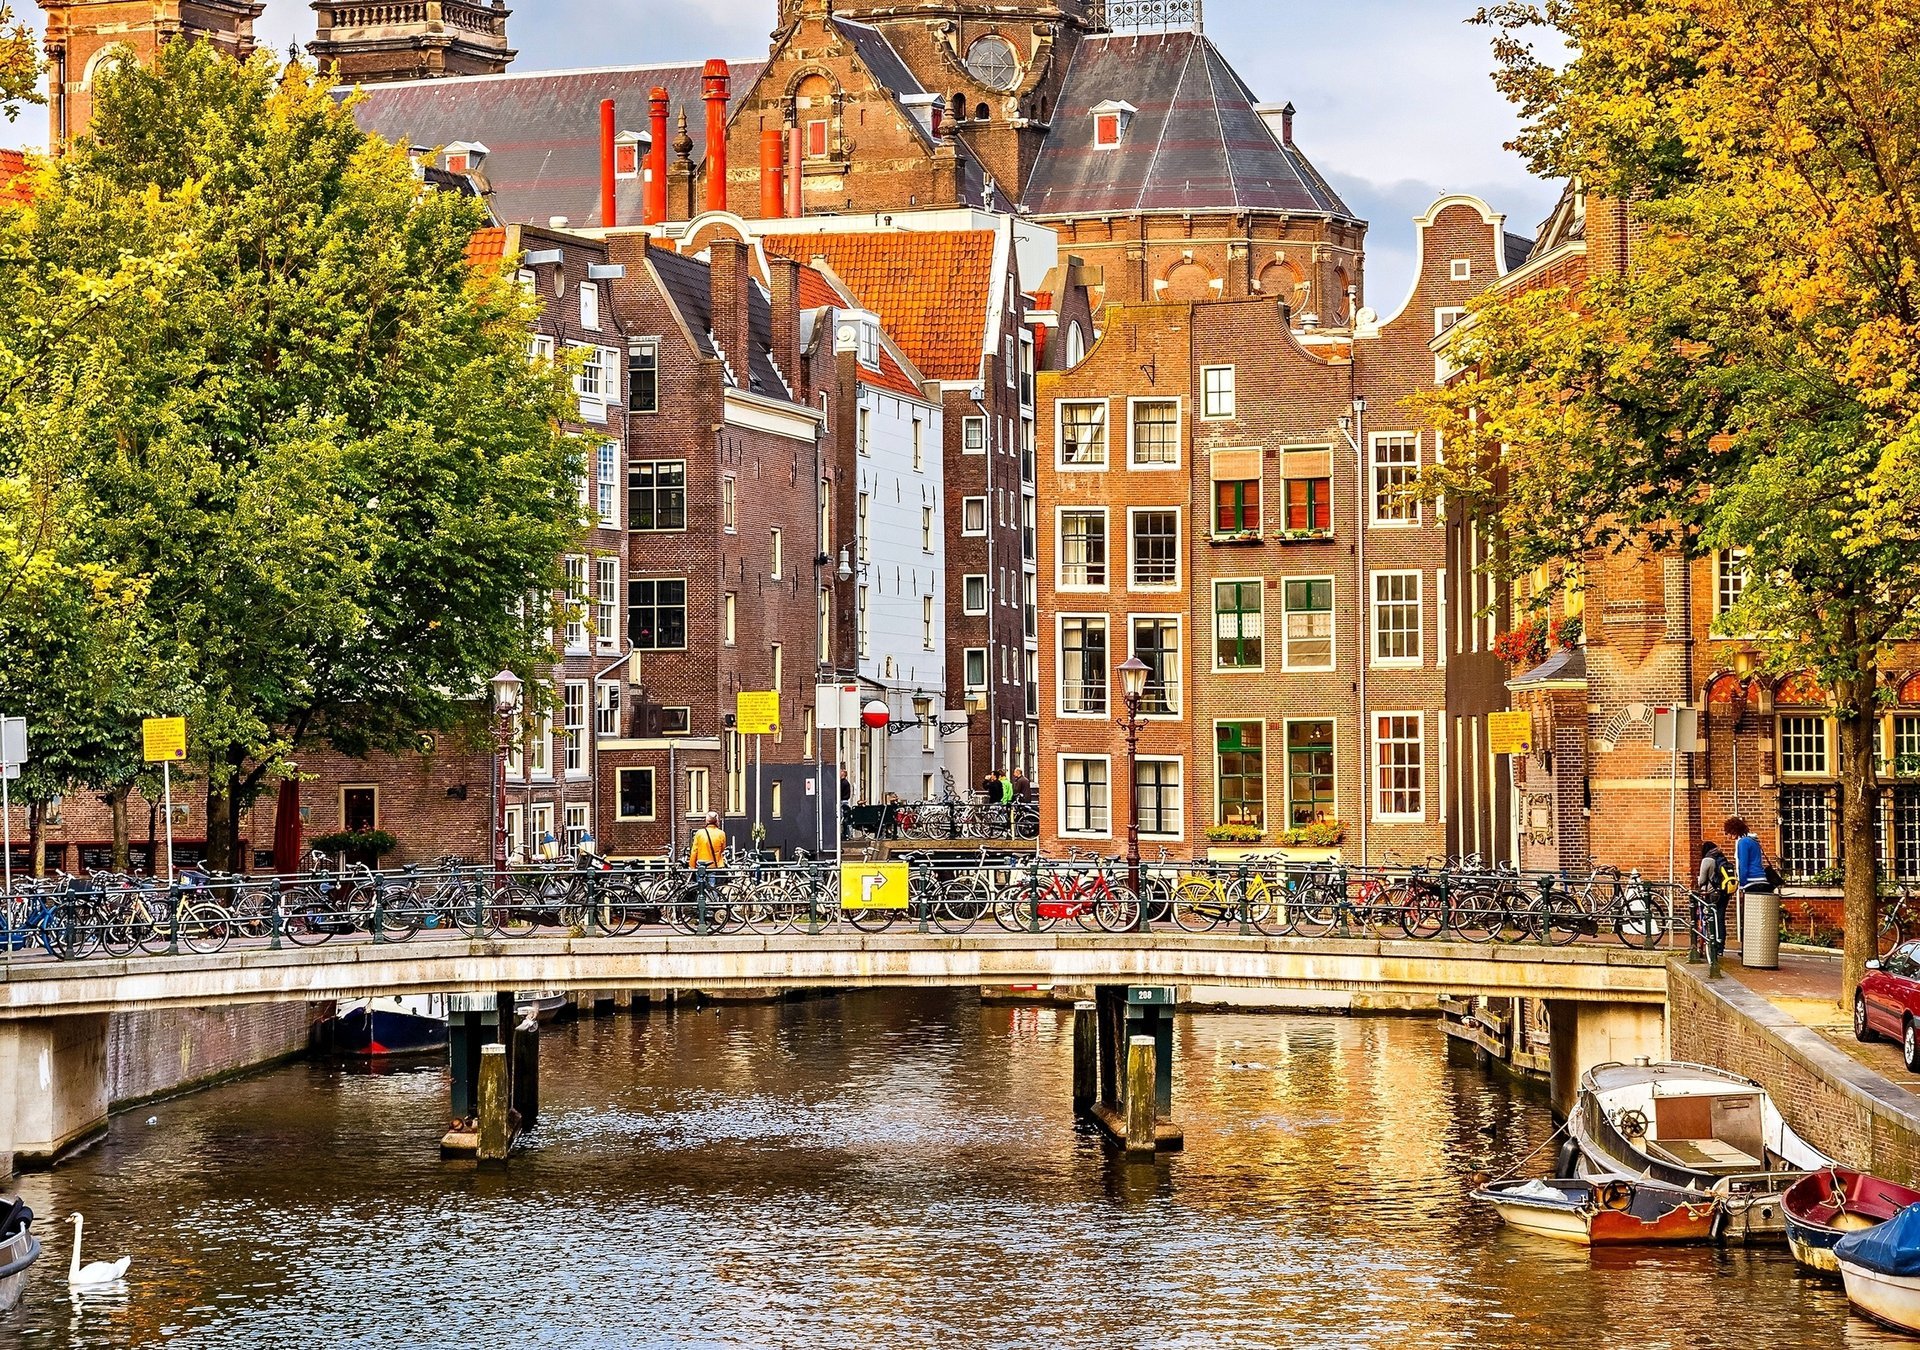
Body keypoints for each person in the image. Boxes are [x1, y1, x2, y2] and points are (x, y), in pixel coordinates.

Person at [1695, 839, 1733, 965]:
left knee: (1710, 918)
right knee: (1720, 918)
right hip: (1725, 892)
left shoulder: (1707, 860)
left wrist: (1698, 879)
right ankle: (1721, 946)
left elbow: (1702, 880)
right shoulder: (1721, 857)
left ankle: (1712, 943)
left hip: (1712, 894)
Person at [1726, 816, 1774, 896]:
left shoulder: (1742, 842)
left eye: (1728, 833)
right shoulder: (1754, 841)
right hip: (1762, 879)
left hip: (1751, 881)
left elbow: (1743, 865)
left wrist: (1742, 884)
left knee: (1750, 908)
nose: (1728, 836)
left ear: (1734, 831)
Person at [688, 812, 727, 902]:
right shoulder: (721, 833)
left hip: (701, 865)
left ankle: (701, 908)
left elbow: (694, 850)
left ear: (706, 821)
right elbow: (723, 849)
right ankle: (713, 905)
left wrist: (692, 866)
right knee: (713, 887)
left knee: (700, 888)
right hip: (714, 865)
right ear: (717, 821)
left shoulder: (699, 833)